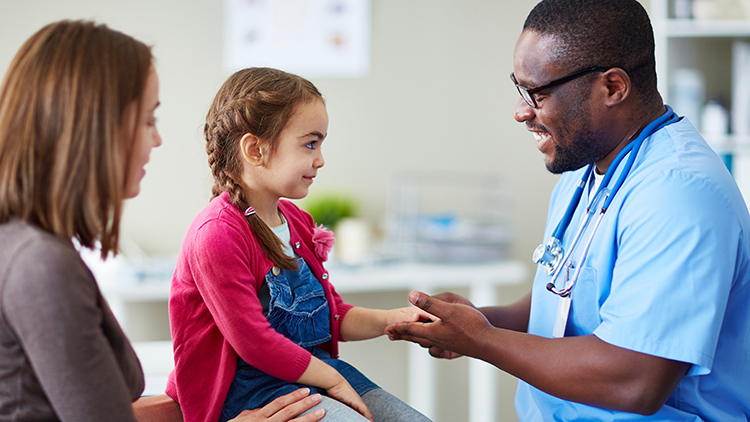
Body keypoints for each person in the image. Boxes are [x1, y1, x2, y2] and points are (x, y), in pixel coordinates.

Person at [385, 0, 750, 421]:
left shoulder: (680, 194)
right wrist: (475, 322)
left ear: (612, 87)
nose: (523, 112)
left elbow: (635, 379)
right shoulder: (586, 167)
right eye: (521, 90)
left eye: (538, 94)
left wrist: (481, 340)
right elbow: (563, 297)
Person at [0, 20, 326, 422]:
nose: (156, 140)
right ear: (96, 127)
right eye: (147, 120)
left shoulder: (28, 245)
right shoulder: (39, 266)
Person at [165, 67, 434, 422]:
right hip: (249, 390)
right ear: (255, 149)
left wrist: (394, 319)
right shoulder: (217, 235)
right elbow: (255, 343)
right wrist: (332, 378)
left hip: (311, 372)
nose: (320, 159)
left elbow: (330, 315)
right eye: (310, 143)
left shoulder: (296, 221)